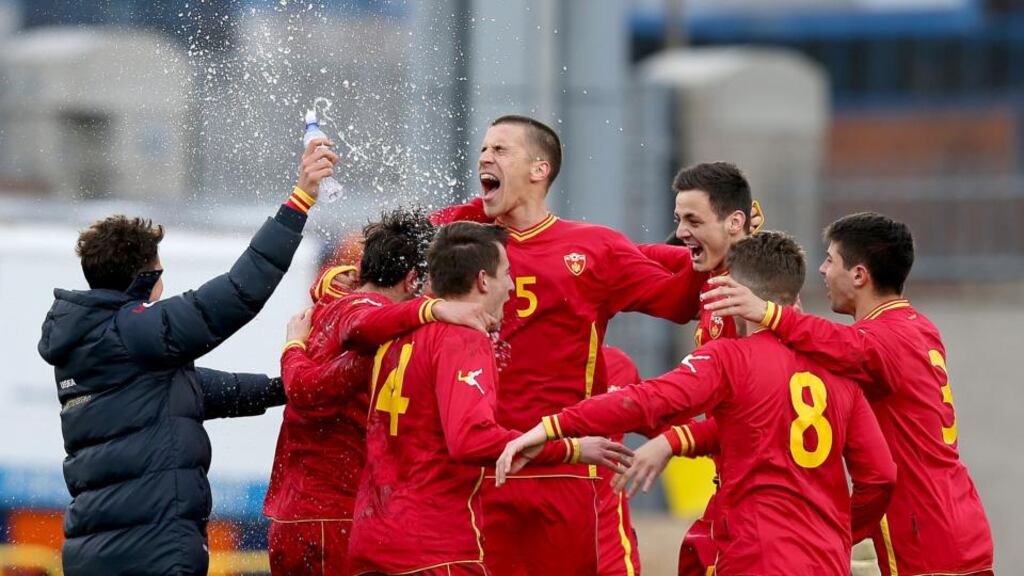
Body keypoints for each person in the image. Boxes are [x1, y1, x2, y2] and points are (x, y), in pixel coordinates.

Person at [499, 231, 897, 574]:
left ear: (733, 293)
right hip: (825, 559)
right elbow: (879, 476)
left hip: (755, 556)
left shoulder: (730, 359)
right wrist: (841, 530)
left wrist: (548, 427)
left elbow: (647, 400)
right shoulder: (840, 373)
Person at [37, 139, 337, 575]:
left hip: (96, 555)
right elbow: (238, 292)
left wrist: (292, 384)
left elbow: (209, 390)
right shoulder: (134, 331)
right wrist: (301, 200)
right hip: (153, 553)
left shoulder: (94, 346)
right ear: (148, 277)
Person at [431, 114, 707, 576]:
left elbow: (679, 303)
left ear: (539, 170)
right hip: (481, 470)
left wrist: (710, 251)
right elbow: (394, 254)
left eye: (500, 150)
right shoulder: (460, 243)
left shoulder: (594, 247)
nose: (484, 156)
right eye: (483, 149)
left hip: (565, 469)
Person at [702, 212, 994, 576]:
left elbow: (845, 345)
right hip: (954, 523)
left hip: (924, 538)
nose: (822, 271)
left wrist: (770, 313)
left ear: (859, 275)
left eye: (830, 260)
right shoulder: (917, 327)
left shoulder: (883, 340)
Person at [348, 221, 633, 576]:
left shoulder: (397, 331)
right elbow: (471, 439)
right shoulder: (462, 338)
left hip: (371, 543)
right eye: (507, 274)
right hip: (435, 552)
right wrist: (571, 449)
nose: (512, 286)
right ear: (484, 281)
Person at [265, 209, 494, 575]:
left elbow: (330, 289)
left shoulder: (332, 300)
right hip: (334, 517)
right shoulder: (368, 314)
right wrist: (434, 308)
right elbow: (350, 339)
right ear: (412, 280)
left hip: (296, 515)